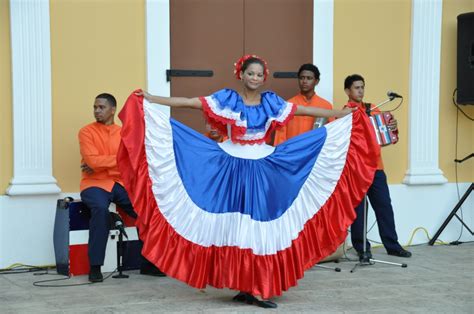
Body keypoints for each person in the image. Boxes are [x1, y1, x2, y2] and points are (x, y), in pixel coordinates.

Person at [117, 55, 379, 308]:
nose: (254, 77)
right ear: (240, 75)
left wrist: (344, 115)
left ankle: (259, 287)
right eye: (250, 73)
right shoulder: (227, 99)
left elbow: (305, 110)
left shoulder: (271, 102)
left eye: (259, 74)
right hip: (230, 165)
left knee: (259, 227)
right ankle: (245, 285)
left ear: (264, 78)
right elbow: (189, 102)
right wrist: (152, 98)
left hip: (263, 167)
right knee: (237, 227)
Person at [79, 93, 165, 282]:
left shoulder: (124, 133)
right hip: (94, 184)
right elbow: (93, 161)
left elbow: (132, 160)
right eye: (95, 107)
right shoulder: (86, 132)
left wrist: (100, 163)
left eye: (101, 107)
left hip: (121, 184)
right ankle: (95, 267)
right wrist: (117, 161)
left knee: (146, 211)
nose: (96, 111)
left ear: (112, 110)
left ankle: (148, 263)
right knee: (100, 210)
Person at [343, 74, 412, 261]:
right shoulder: (345, 113)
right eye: (356, 88)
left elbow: (384, 138)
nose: (360, 91)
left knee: (384, 206)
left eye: (362, 87)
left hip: (376, 167)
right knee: (359, 210)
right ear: (348, 91)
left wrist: (392, 127)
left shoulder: (372, 109)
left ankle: (392, 245)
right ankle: (362, 248)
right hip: (357, 169)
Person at [274, 63, 333, 145]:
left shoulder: (325, 106)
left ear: (316, 81)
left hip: (317, 153)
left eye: (309, 78)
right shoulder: (288, 105)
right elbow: (280, 136)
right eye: (302, 78)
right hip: (293, 153)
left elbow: (332, 134)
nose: (304, 81)